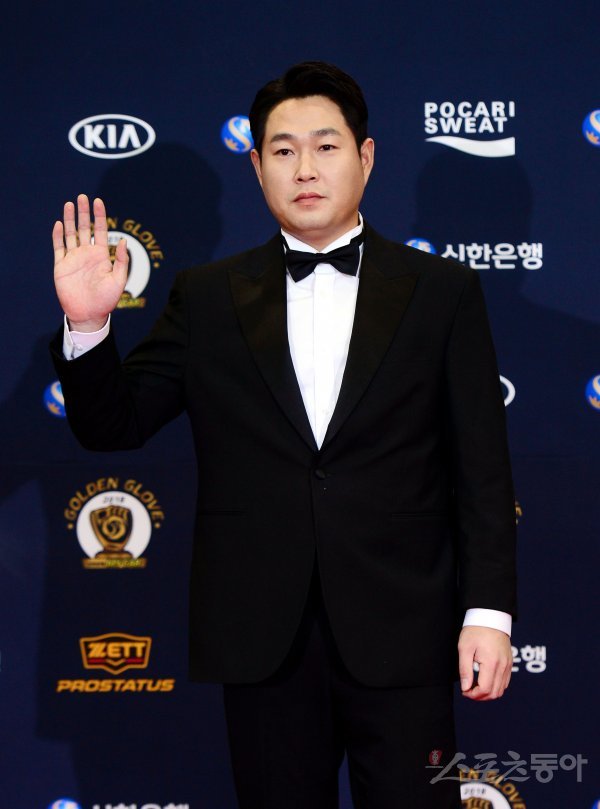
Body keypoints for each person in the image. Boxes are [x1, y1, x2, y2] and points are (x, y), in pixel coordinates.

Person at [51, 61, 517, 809]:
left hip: (405, 631)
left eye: (326, 146)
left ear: (366, 157)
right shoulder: (207, 298)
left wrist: (488, 615)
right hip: (261, 639)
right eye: (284, 149)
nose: (305, 169)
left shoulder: (443, 292)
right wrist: (87, 325)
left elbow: (483, 474)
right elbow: (113, 427)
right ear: (256, 165)